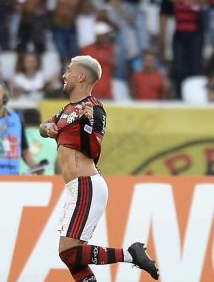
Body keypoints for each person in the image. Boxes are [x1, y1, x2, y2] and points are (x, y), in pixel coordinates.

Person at [38, 56, 159, 280]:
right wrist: (47, 128)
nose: (64, 75)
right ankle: (130, 255)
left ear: (81, 76)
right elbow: (42, 127)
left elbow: (94, 151)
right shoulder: (66, 110)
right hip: (77, 187)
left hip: (86, 184)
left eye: (68, 71)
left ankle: (131, 254)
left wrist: (86, 124)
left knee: (67, 251)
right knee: (74, 257)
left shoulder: (95, 110)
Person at [20, 108, 58, 176]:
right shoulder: (53, 140)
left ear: (23, 122)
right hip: (49, 182)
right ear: (40, 121)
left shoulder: (17, 138)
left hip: (20, 181)